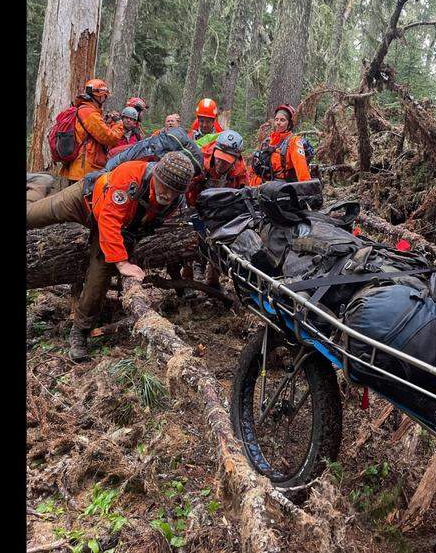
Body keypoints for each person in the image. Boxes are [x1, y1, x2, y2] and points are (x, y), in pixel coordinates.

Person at [26, 151, 197, 361]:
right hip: (85, 201)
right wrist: (122, 261)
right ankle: (38, 184)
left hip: (120, 227)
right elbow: (109, 220)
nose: (168, 194)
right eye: (165, 186)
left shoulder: (175, 202)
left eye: (174, 191)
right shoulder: (130, 177)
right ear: (156, 175)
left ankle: (80, 330)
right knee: (32, 216)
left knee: (101, 274)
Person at [186, 130, 250, 288]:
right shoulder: (199, 161)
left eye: (226, 162)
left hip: (222, 212)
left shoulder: (240, 172)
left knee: (219, 242)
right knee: (193, 238)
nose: (221, 164)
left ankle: (213, 279)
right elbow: (184, 190)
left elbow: (245, 197)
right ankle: (187, 278)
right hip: (195, 207)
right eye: (219, 159)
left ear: (235, 160)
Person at [60, 79, 124, 186]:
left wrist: (106, 123)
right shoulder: (89, 113)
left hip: (80, 169)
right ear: (98, 96)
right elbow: (109, 138)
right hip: (84, 169)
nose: (105, 98)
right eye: (104, 95)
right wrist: (118, 123)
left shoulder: (85, 110)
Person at [248, 104, 311, 184]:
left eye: (282, 120)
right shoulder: (268, 141)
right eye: (276, 119)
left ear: (289, 123)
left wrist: (306, 188)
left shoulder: (293, 142)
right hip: (263, 185)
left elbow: (301, 169)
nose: (278, 123)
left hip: (281, 188)